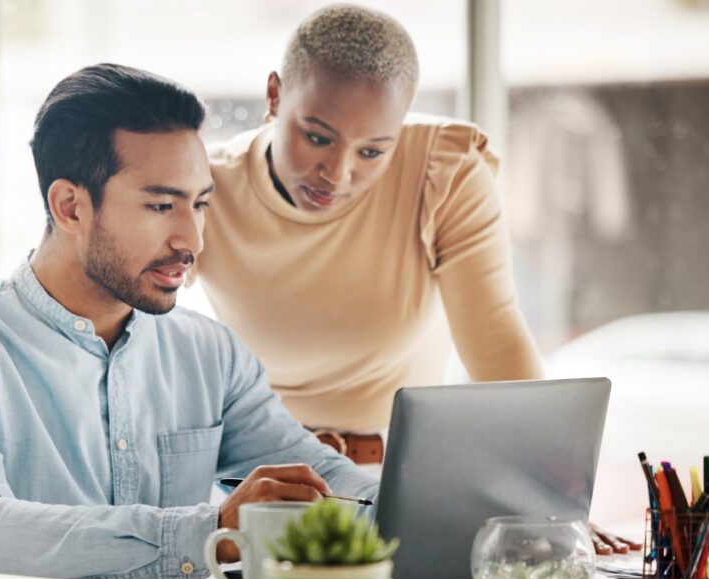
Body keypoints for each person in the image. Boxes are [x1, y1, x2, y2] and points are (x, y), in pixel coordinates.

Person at [0, 63, 378, 579]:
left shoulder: (210, 355)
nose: (192, 241)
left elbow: (321, 480)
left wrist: (414, 510)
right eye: (161, 205)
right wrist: (214, 531)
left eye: (200, 205)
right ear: (70, 206)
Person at [196, 4, 543, 463]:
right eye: (318, 138)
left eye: (373, 152)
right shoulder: (206, 186)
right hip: (258, 473)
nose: (337, 175)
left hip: (399, 474)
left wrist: (547, 493)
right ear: (275, 96)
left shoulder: (444, 171)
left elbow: (498, 349)